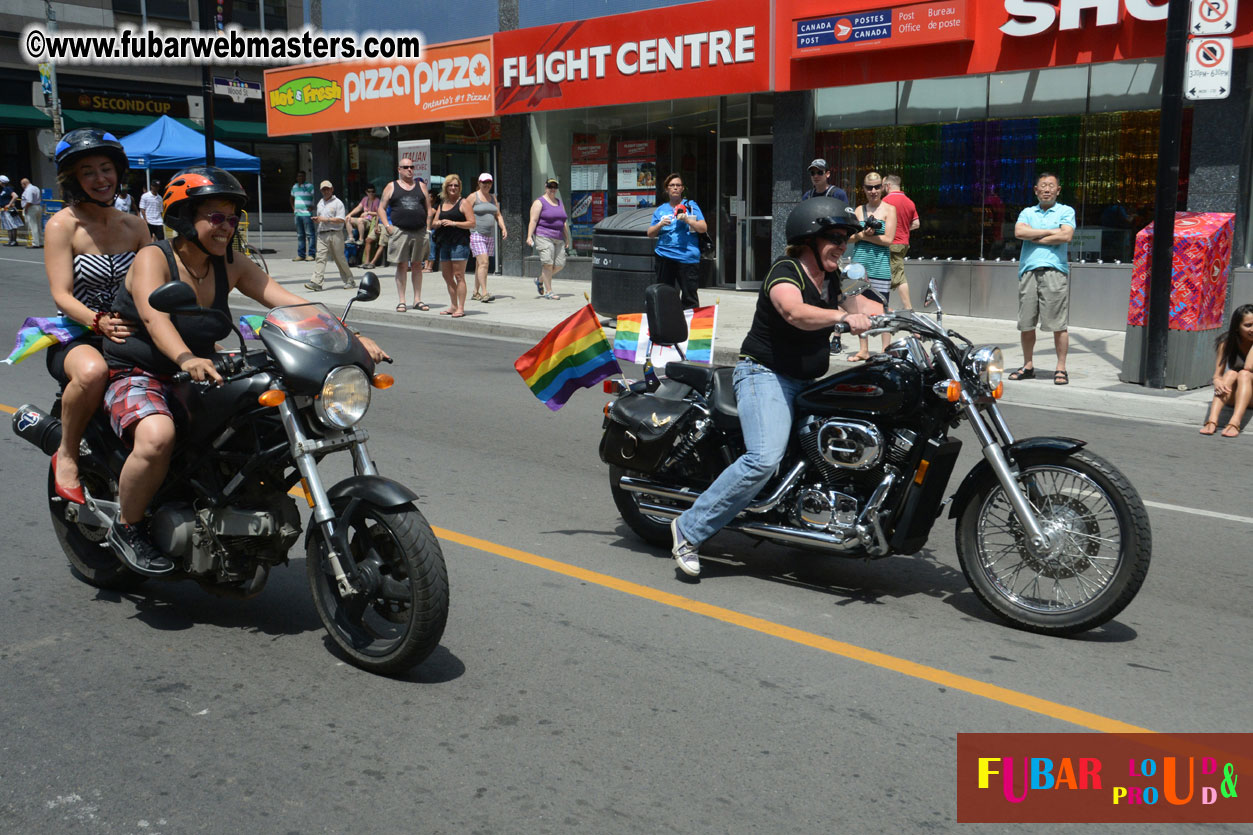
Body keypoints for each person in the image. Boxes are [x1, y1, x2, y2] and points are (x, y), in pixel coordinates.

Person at [101, 167, 390, 575]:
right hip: (141, 370)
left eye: (232, 217)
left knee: (262, 419)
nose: (227, 226)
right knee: (156, 437)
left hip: (202, 369)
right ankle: (127, 527)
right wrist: (185, 358)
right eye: (216, 217)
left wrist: (349, 334)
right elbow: (154, 318)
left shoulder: (231, 263)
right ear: (184, 218)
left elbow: (289, 302)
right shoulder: (154, 257)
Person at [669, 197, 873, 577]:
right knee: (763, 458)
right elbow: (794, 312)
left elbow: (868, 306)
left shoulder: (840, 274)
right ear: (809, 238)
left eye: (845, 238)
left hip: (806, 380)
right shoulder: (785, 270)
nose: (842, 245)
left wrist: (912, 322)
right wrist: (842, 318)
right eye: (834, 237)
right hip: (764, 374)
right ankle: (689, 529)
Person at [42, 129, 149, 507]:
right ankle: (68, 455)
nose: (100, 178)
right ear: (74, 179)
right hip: (78, 334)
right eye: (88, 172)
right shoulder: (62, 225)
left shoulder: (135, 225)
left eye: (106, 168)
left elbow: (155, 284)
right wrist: (98, 321)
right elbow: (61, 295)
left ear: (119, 172)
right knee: (92, 373)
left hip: (131, 333)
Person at [1008, 172, 1075, 385]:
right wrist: (1050, 232)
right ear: (1036, 190)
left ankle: (1061, 368)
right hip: (1028, 271)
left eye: (1051, 186)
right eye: (1043, 186)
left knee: (1058, 324)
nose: (1047, 189)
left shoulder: (1066, 211)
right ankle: (1028, 366)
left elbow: (1066, 235)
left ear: (1058, 190)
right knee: (1026, 323)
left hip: (1054, 271)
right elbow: (1019, 232)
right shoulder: (1027, 212)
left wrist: (1035, 236)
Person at [845, 171, 898, 362]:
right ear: (864, 189)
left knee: (883, 309)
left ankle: (886, 350)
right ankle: (864, 350)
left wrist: (867, 236)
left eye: (876, 187)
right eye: (869, 187)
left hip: (880, 266)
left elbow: (889, 239)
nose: (873, 191)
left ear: (882, 188)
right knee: (859, 310)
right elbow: (849, 237)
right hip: (859, 266)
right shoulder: (859, 210)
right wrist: (861, 235)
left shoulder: (890, 209)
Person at [646, 172, 707, 309]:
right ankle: (667, 321)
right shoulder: (661, 210)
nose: (675, 188)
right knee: (664, 297)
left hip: (687, 257)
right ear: (666, 189)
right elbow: (650, 233)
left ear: (682, 189)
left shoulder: (691, 206)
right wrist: (660, 224)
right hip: (664, 256)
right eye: (672, 185)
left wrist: (687, 219)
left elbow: (703, 228)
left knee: (689, 298)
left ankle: (689, 322)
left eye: (678, 185)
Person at [377, 158, 430, 312]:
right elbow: (381, 208)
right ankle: (402, 301)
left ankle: (417, 300)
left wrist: (427, 227)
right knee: (402, 265)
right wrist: (388, 227)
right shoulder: (391, 186)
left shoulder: (421, 186)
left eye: (411, 167)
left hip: (419, 231)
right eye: (405, 167)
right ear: (399, 169)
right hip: (400, 231)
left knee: (417, 265)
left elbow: (429, 208)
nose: (409, 170)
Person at [1200, 304, 1253, 438]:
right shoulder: (1226, 342)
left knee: (1244, 374)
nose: (1252, 329)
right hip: (1235, 396)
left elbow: (1248, 366)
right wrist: (1217, 382)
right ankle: (1212, 421)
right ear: (1237, 327)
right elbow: (1217, 375)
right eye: (1248, 325)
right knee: (1230, 373)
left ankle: (1235, 423)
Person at [430, 174, 474, 318]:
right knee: (447, 275)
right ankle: (453, 305)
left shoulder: (463, 202)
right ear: (446, 187)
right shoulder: (442, 204)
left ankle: (460, 307)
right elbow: (434, 223)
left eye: (456, 185)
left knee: (459, 275)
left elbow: (472, 223)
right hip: (444, 243)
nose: (453, 188)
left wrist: (454, 223)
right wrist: (437, 223)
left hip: (459, 243)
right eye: (450, 185)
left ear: (459, 187)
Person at [305, 180, 356, 292]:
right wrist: (317, 220)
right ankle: (317, 282)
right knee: (320, 258)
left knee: (340, 258)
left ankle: (350, 280)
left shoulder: (338, 203)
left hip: (335, 233)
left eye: (327, 189)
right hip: (322, 234)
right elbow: (321, 218)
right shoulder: (320, 203)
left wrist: (325, 219)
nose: (326, 191)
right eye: (323, 190)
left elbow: (341, 220)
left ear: (332, 189)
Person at [526, 176, 572, 300]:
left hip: (558, 237)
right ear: (545, 187)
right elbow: (533, 220)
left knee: (560, 264)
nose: (552, 189)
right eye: (550, 186)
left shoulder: (559, 202)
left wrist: (567, 238)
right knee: (547, 264)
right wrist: (529, 236)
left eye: (555, 187)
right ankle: (549, 291)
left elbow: (563, 222)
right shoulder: (539, 202)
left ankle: (540, 280)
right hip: (543, 236)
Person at [881, 174, 919, 310]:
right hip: (903, 243)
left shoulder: (885, 201)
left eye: (883, 186)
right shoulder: (910, 202)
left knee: (898, 277)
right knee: (893, 273)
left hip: (891, 243)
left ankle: (908, 309)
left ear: (888, 186)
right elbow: (916, 224)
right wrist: (903, 228)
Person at [468, 173, 507, 303]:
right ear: (479, 183)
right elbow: (463, 211)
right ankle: (485, 293)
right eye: (484, 182)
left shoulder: (493, 198)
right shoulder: (473, 197)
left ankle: (475, 292)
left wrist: (503, 228)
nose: (486, 185)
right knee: (484, 263)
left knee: (480, 264)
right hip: (476, 233)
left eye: (489, 182)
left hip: (489, 235)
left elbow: (498, 215)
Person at [345, 184, 383, 267]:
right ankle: (351, 238)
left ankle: (361, 239)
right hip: (363, 221)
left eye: (373, 191)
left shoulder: (377, 201)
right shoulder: (365, 199)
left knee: (360, 221)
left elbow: (380, 212)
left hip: (371, 221)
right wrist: (349, 214)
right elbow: (358, 208)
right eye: (369, 191)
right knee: (348, 219)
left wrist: (368, 213)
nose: (371, 193)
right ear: (366, 192)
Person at [290, 171, 315, 262]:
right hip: (298, 214)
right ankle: (301, 255)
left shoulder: (309, 186)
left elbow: (316, 196)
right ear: (296, 178)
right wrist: (294, 208)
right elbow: (291, 198)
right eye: (298, 176)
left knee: (310, 234)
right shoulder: (295, 187)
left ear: (305, 177)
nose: (300, 178)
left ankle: (311, 254)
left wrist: (313, 206)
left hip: (307, 214)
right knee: (300, 235)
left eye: (302, 176)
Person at [21, 177, 43, 248]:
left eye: (22, 184)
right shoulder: (36, 188)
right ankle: (41, 242)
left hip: (31, 208)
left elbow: (29, 201)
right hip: (38, 206)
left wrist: (26, 208)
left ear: (24, 183)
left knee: (33, 226)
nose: (22, 186)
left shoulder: (28, 189)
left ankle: (35, 243)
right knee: (38, 225)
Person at [0, 175, 22, 246]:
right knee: (9, 225)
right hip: (6, 209)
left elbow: (15, 196)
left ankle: (13, 241)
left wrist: (9, 204)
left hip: (8, 209)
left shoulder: (7, 189)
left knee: (11, 224)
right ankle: (11, 240)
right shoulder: (4, 189)